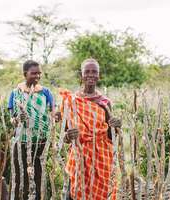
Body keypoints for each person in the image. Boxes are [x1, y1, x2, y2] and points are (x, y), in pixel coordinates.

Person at [60, 58, 122, 200]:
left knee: (102, 193)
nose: (90, 75)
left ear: (99, 75)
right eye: (87, 72)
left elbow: (111, 137)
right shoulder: (71, 101)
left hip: (102, 156)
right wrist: (69, 136)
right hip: (79, 154)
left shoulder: (104, 102)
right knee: (73, 193)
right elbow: (64, 138)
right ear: (81, 75)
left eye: (94, 72)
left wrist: (116, 126)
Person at [8, 60, 54, 200]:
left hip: (40, 141)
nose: (37, 76)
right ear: (25, 74)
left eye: (39, 73)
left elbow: (53, 114)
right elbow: (12, 120)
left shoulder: (46, 92)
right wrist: (17, 119)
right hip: (20, 141)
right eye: (33, 73)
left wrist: (56, 117)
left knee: (39, 175)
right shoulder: (15, 93)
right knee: (19, 176)